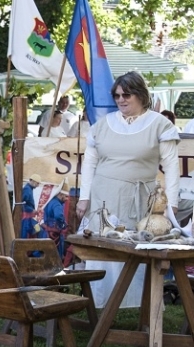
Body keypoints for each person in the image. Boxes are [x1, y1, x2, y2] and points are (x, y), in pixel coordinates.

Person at [76, 71, 180, 307]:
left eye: (127, 94)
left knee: (138, 249)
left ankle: (140, 304)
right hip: (104, 197)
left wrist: (171, 203)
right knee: (105, 250)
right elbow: (90, 163)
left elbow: (172, 167)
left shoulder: (159, 124)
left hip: (141, 198)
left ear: (141, 95)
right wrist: (84, 198)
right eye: (117, 95)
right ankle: (100, 302)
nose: (121, 99)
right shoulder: (102, 125)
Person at [41, 185, 69, 259]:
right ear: (60, 194)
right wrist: (63, 224)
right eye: (65, 196)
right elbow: (58, 216)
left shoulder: (50, 201)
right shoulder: (57, 204)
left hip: (46, 233)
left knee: (46, 255)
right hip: (54, 235)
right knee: (55, 256)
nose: (67, 199)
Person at [20, 173, 41, 238]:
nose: (38, 185)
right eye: (37, 183)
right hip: (26, 218)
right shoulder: (27, 189)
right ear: (33, 181)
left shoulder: (29, 189)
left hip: (29, 217)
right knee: (25, 236)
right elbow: (22, 203)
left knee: (36, 230)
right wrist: (32, 210)